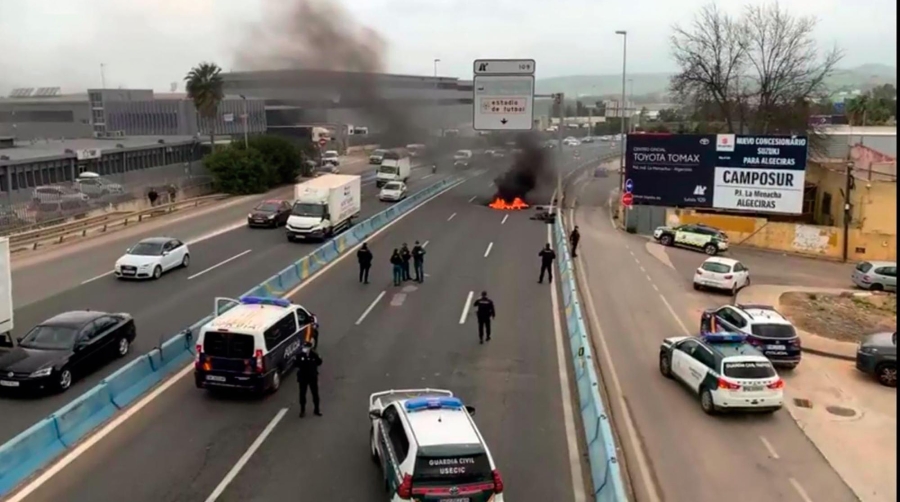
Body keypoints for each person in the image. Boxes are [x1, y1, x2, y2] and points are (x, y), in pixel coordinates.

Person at [296, 342, 322, 418]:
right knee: (302, 395)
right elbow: (296, 364)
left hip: (312, 377)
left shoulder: (314, 355)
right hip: (303, 378)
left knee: (315, 394)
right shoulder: (300, 355)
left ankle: (317, 410)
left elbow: (319, 362)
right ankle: (302, 410)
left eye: (307, 347)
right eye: (305, 347)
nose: (305, 349)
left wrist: (316, 356)